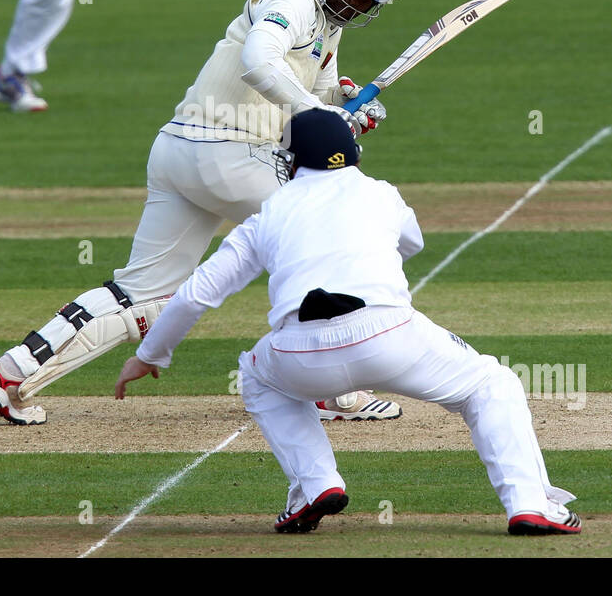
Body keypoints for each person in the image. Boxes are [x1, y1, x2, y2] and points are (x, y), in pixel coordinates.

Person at [0, 0, 400, 425]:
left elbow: (318, 98)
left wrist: (348, 108)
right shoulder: (291, 0)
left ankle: (10, 372)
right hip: (230, 153)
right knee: (330, 235)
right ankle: (330, 389)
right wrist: (320, 112)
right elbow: (258, 63)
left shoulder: (328, 21)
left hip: (181, 153)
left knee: (141, 292)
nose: (351, 2)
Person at [114, 108, 583, 536]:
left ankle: (317, 484)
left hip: (299, 353)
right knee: (491, 384)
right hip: (390, 337)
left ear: (291, 160)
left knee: (256, 375)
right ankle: (529, 504)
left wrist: (149, 354)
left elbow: (197, 292)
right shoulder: (381, 192)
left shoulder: (269, 212)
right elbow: (412, 245)